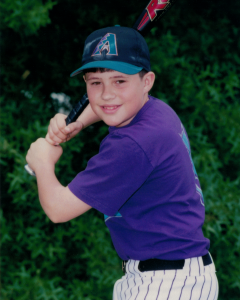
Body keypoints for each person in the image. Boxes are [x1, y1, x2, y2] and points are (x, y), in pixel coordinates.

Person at [26, 26, 218, 300]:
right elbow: (109, 103)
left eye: (119, 81)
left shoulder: (132, 145)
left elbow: (58, 210)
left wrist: (42, 162)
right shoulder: (155, 111)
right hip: (171, 274)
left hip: (166, 285)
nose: (106, 94)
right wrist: (78, 122)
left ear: (147, 81)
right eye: (95, 83)